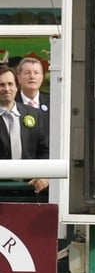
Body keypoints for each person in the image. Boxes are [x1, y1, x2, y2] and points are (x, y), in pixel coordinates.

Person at [0, 65, 49, 193]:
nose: (6, 89)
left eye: (10, 84)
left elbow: (44, 150)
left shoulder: (34, 114)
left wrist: (43, 175)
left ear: (17, 87)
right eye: (1, 85)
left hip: (31, 189)